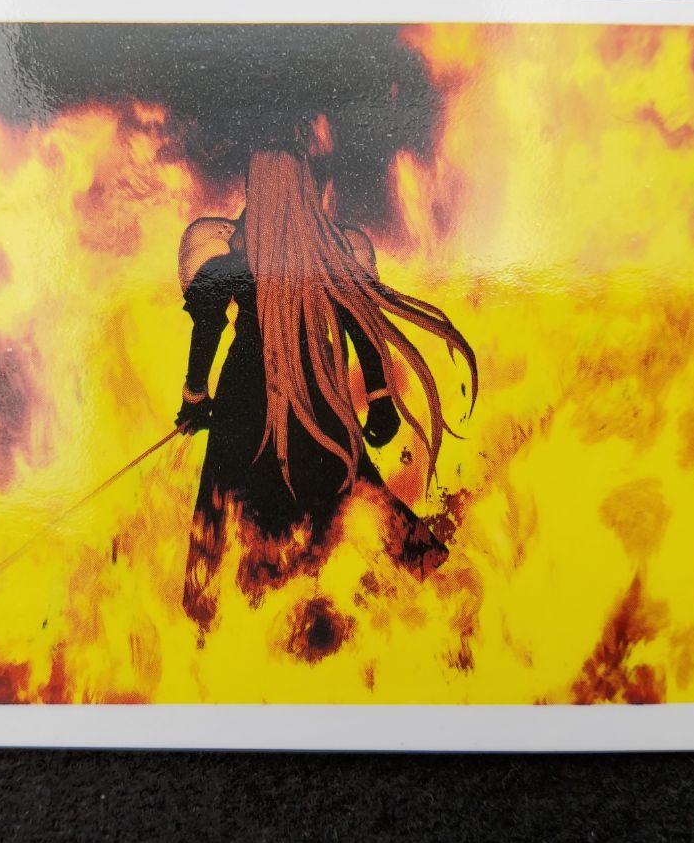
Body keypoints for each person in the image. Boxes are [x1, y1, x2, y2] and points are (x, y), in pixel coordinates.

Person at [174, 143, 478, 630]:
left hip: (245, 398)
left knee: (224, 499)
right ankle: (429, 595)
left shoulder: (231, 259)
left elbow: (207, 329)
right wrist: (379, 400)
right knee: (351, 487)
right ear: (307, 189)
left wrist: (195, 399)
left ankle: (207, 616)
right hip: (318, 395)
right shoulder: (333, 256)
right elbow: (363, 327)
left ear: (254, 189)